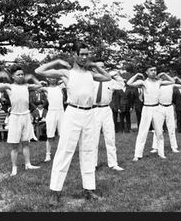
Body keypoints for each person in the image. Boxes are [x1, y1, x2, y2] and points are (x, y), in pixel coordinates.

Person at [34, 48, 111, 205]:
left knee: (89, 151)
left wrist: (95, 65)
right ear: (75, 55)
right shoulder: (66, 72)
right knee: (64, 151)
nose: (84, 57)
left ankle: (89, 189)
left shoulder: (91, 74)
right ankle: (55, 192)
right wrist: (56, 61)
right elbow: (39, 70)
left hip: (89, 113)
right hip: (73, 112)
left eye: (86, 54)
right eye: (81, 54)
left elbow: (107, 77)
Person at [0, 65, 42, 177]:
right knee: (15, 145)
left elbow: (39, 85)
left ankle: (28, 164)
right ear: (13, 76)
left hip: (26, 116)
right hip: (15, 117)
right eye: (18, 74)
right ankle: (14, 168)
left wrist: (32, 77)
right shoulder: (8, 86)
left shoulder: (26, 86)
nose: (21, 76)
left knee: (26, 142)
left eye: (22, 74)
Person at [127, 66, 175, 161]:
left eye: (155, 70)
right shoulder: (144, 82)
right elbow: (129, 83)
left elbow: (172, 81)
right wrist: (137, 75)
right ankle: (137, 154)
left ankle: (161, 153)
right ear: (147, 72)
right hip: (147, 108)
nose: (153, 72)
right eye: (151, 70)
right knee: (142, 132)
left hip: (157, 108)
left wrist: (165, 74)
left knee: (159, 132)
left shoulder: (159, 82)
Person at [92, 64, 125, 171]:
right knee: (93, 138)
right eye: (98, 67)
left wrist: (117, 74)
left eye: (103, 67)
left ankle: (113, 163)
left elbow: (121, 85)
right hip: (93, 110)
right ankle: (92, 164)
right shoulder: (90, 79)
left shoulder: (110, 80)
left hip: (106, 109)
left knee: (110, 137)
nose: (101, 69)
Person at [150, 75, 181, 154]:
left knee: (171, 128)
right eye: (162, 77)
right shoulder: (157, 84)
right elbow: (155, 79)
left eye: (165, 76)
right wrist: (160, 76)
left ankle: (174, 147)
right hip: (160, 107)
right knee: (157, 128)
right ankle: (155, 147)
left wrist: (177, 78)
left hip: (169, 107)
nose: (164, 78)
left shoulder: (171, 84)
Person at [38, 77, 66, 162]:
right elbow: (37, 87)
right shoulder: (46, 89)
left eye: (54, 76)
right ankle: (48, 154)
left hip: (61, 112)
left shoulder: (60, 87)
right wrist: (41, 82)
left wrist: (62, 78)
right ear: (48, 78)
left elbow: (70, 80)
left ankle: (62, 154)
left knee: (63, 135)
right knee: (50, 135)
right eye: (51, 77)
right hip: (51, 112)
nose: (53, 79)